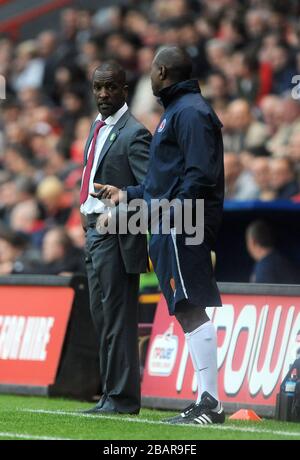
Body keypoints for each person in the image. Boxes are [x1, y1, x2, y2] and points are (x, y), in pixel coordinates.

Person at [93, 47, 225, 425]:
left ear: (162, 71)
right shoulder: (179, 110)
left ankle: (211, 402)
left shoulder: (190, 112)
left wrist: (174, 214)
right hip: (176, 219)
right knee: (184, 305)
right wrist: (129, 195)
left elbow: (199, 174)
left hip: (184, 221)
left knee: (188, 304)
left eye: (151, 69)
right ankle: (205, 399)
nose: (148, 76)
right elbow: (163, 181)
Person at [81, 61, 151, 415]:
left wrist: (119, 205)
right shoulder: (98, 127)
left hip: (116, 234)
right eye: (98, 87)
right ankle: (110, 395)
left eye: (111, 87)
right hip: (93, 234)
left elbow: (152, 190)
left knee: (118, 317)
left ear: (125, 89)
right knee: (103, 317)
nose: (104, 94)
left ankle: (122, 399)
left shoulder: (134, 133)